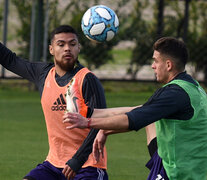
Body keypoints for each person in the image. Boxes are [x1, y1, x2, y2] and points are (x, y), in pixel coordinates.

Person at [63, 37, 207, 180]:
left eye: (156, 61)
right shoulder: (191, 87)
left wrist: (87, 122)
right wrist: (90, 113)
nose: (153, 66)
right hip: (191, 165)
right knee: (149, 116)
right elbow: (139, 110)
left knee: (145, 117)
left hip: (183, 173)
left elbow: (132, 120)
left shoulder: (173, 94)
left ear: (168, 65)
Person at [0, 25, 108, 180]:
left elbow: (101, 124)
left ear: (79, 47)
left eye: (72, 44)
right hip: (53, 165)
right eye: (61, 44)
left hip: (88, 165)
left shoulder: (87, 79)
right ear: (51, 49)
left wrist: (77, 160)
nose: (67, 49)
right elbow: (10, 60)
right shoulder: (43, 74)